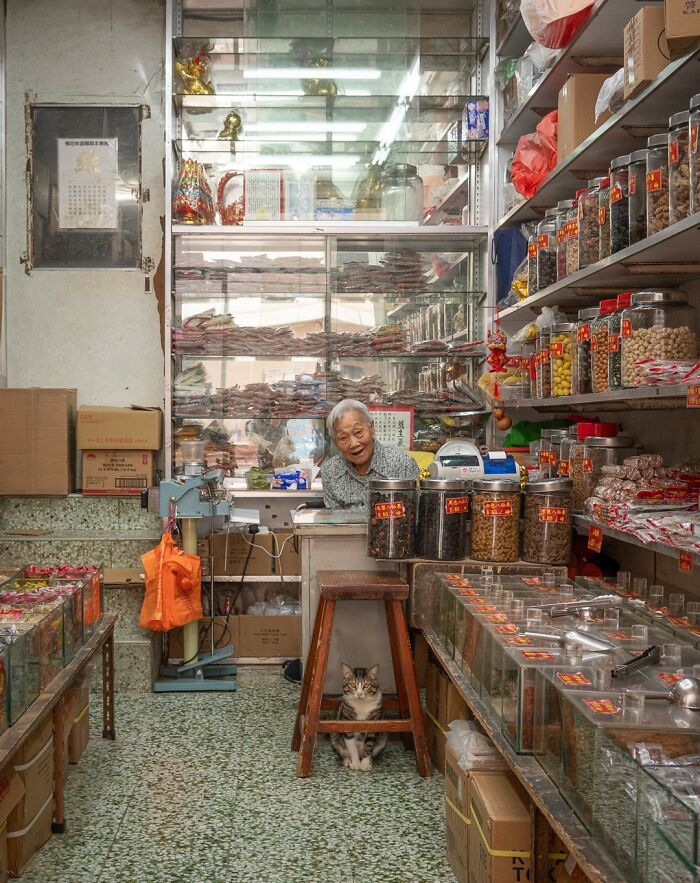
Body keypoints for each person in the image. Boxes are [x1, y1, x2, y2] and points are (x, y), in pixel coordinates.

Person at [320, 399, 419, 509]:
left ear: (372, 428)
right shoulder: (330, 471)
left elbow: (414, 516)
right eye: (343, 438)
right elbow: (336, 521)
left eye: (358, 432)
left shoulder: (403, 465)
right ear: (335, 442)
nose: (353, 443)